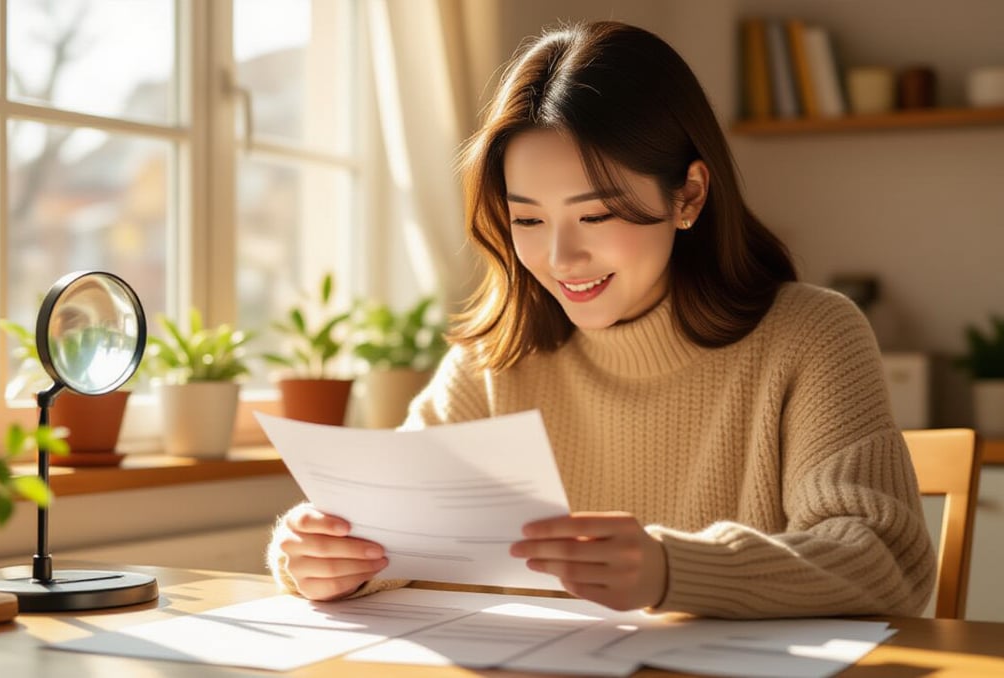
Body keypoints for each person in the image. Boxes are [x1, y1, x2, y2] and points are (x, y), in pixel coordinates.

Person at [267, 20, 935, 619]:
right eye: (528, 219)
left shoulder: (811, 335)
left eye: (595, 215)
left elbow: (884, 559)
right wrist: (326, 559)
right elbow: (391, 533)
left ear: (688, 195)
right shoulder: (495, 358)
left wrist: (672, 570)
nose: (560, 258)